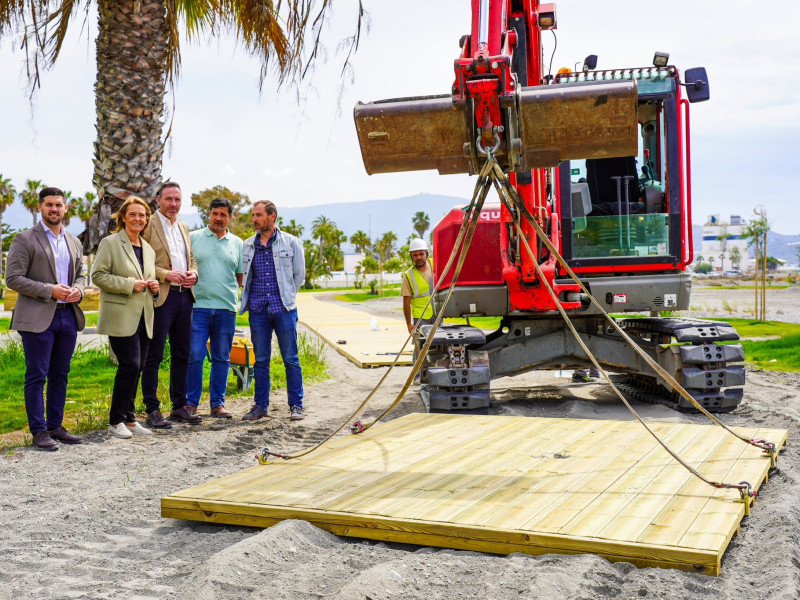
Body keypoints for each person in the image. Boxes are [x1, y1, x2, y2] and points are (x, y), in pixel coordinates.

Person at [6, 187, 86, 451]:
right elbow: (13, 279)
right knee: (37, 376)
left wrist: (79, 289)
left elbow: (81, 275)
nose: (54, 209)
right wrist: (49, 290)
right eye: (49, 205)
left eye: (59, 205)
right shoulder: (25, 239)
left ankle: (55, 426)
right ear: (39, 207)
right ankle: (39, 431)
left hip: (68, 317)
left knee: (60, 375)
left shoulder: (73, 241)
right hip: (38, 318)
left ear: (65, 208)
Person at [92, 196, 160, 439]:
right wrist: (131, 284)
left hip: (145, 316)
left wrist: (154, 287)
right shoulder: (110, 243)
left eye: (142, 215)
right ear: (122, 217)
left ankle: (130, 420)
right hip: (120, 315)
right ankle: (115, 420)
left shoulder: (149, 249)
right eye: (133, 214)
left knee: (139, 367)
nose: (138, 219)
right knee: (130, 365)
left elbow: (151, 282)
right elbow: (98, 276)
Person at [140, 182, 202, 427]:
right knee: (153, 354)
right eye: (169, 199)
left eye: (177, 199)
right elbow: (141, 261)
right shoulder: (149, 224)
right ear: (158, 200)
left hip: (184, 296)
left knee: (182, 353)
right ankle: (152, 409)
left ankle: (179, 406)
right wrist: (166, 274)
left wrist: (193, 274)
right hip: (160, 298)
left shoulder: (184, 226)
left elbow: (191, 259)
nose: (173, 204)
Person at [239, 201, 306, 422]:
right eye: (253, 215)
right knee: (260, 360)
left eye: (259, 215)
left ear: (272, 216)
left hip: (284, 309)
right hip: (257, 310)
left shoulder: (291, 242)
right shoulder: (248, 245)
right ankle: (260, 406)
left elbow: (299, 276)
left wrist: (286, 296)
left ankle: (296, 405)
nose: (255, 219)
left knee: (290, 358)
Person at [186, 198, 243, 417]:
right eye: (215, 213)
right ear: (209, 214)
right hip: (197, 306)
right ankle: (191, 403)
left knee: (222, 357)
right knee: (195, 355)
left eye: (223, 214)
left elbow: (239, 276)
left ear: (230, 217)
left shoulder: (237, 243)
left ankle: (217, 404)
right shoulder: (193, 238)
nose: (218, 218)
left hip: (226, 309)